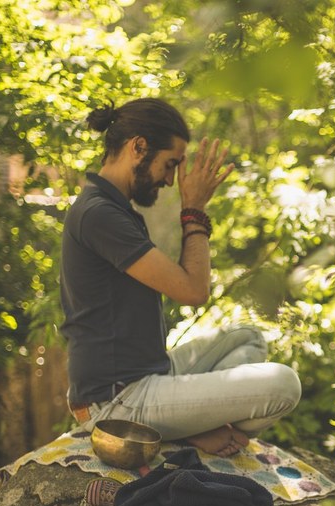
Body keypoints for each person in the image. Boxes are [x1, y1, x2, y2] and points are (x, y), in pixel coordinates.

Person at [59, 97, 301, 456]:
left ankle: (195, 426)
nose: (171, 180)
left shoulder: (112, 207)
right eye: (169, 164)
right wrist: (194, 211)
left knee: (246, 336)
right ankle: (190, 432)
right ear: (138, 147)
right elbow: (192, 290)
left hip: (150, 373)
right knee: (285, 384)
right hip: (118, 402)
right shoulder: (99, 215)